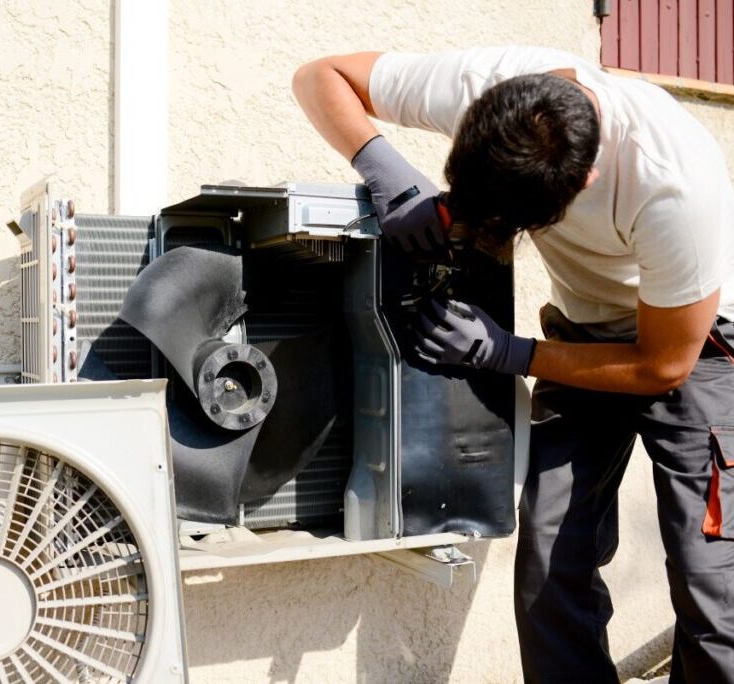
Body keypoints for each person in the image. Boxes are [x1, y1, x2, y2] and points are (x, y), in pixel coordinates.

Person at [292, 46, 734, 683]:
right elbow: (320, 76)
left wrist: (511, 353)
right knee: (550, 564)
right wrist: (384, 167)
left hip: (699, 347)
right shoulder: (490, 86)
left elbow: (663, 365)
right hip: (583, 334)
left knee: (711, 587)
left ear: (581, 183)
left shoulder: (674, 184)